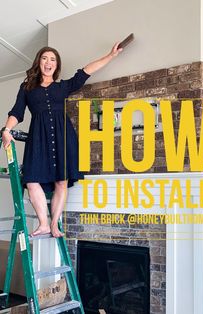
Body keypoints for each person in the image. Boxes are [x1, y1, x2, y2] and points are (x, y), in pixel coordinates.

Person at [1, 43, 122, 237]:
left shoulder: (63, 86)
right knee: (31, 181)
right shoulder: (27, 88)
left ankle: (54, 224)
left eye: (53, 59)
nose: (48, 62)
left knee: (61, 182)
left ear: (56, 66)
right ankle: (43, 223)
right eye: (44, 58)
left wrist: (110, 55)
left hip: (63, 137)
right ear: (38, 62)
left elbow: (86, 71)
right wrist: (7, 130)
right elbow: (17, 112)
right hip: (39, 139)